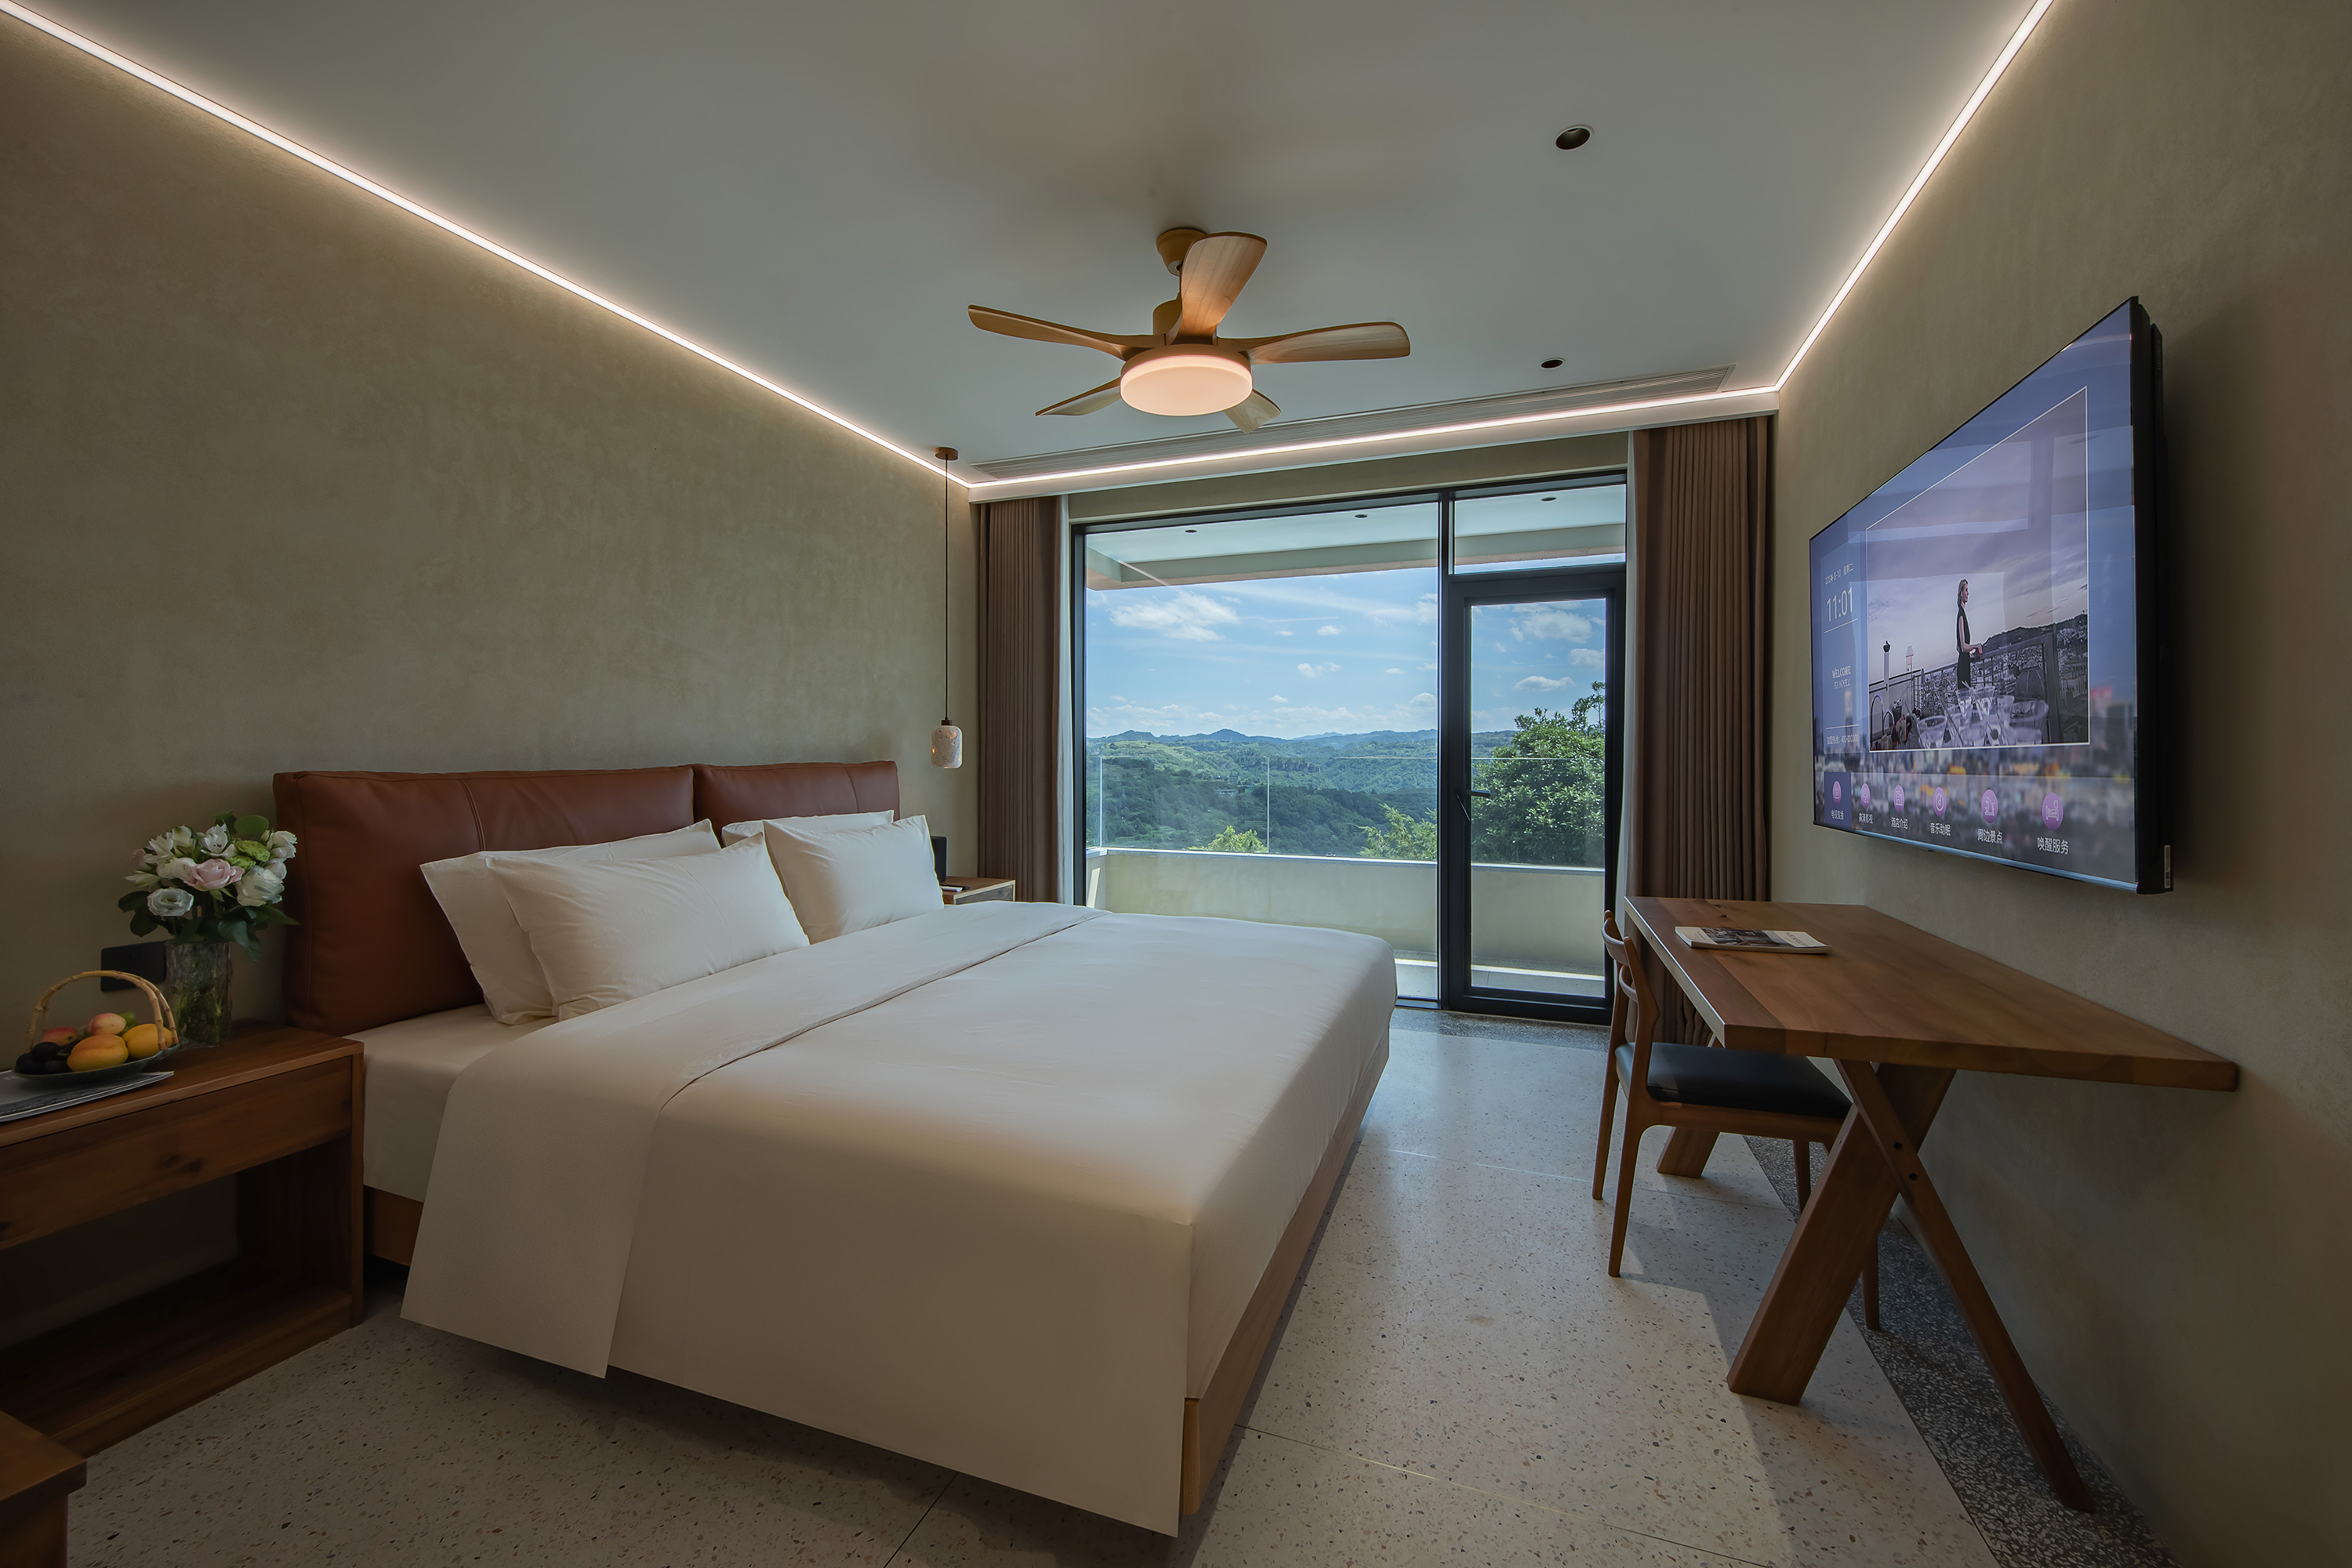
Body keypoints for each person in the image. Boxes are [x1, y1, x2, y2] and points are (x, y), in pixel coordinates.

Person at [1955, 579, 1985, 690]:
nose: (1968, 593)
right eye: (1966, 590)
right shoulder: (1961, 616)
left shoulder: (1961, 614)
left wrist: (1968, 654)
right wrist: (1976, 646)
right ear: (1961, 593)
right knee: (1966, 696)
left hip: (1964, 664)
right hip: (1964, 667)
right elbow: (1963, 647)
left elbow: (1958, 647)